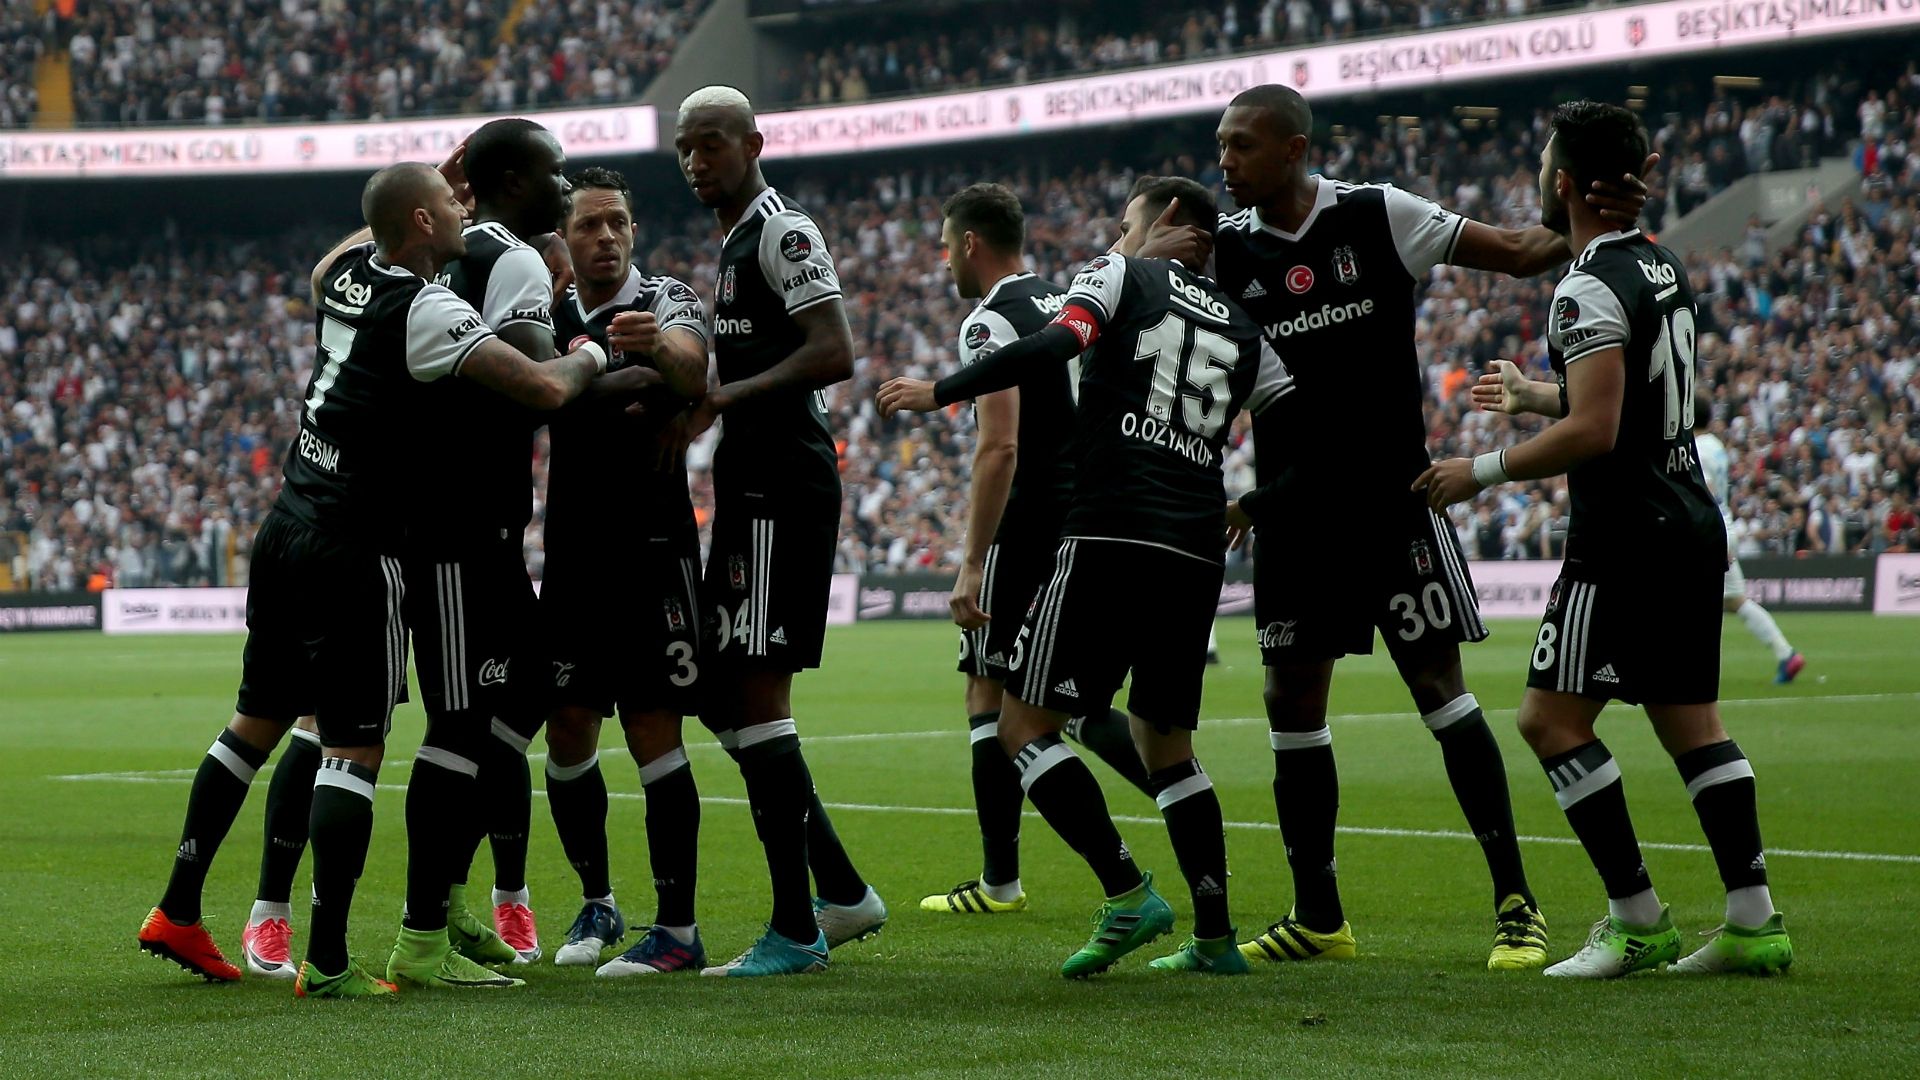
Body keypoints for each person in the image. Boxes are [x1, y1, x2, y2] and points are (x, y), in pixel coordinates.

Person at [136, 160, 620, 997]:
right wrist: (591, 352)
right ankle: (327, 962)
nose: (462, 206)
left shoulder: (351, 277)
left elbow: (337, 256)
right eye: (446, 203)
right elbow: (541, 387)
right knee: (353, 747)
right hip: (353, 548)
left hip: (286, 521)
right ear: (423, 226)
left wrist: (420, 184)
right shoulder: (426, 307)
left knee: (253, 725)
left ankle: (178, 908)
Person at [1210, 83, 1647, 970]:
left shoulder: (1378, 215)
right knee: (1288, 705)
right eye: (1220, 145)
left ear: (1293, 150)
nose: (1225, 161)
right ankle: (1318, 915)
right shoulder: (1223, 251)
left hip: (1395, 503)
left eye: (1241, 145)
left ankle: (1517, 905)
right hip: (1294, 517)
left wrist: (1593, 215)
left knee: (1439, 691)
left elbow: (1525, 252)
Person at [879, 176, 1295, 977]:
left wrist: (943, 390)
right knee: (1166, 743)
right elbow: (1308, 437)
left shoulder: (1116, 275)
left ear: (1162, 221)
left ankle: (1127, 889)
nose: (1114, 232)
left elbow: (1060, 342)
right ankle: (1214, 937)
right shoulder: (1249, 328)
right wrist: (1256, 502)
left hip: (1106, 530)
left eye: (1125, 221)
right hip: (1196, 547)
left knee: (1021, 725)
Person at [1418, 100, 1793, 978]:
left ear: (1563, 183)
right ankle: (1753, 920)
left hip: (1624, 539)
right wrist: (1539, 395)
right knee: (1694, 726)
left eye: (1545, 163)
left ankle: (1637, 919)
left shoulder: (1586, 282)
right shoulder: (1659, 266)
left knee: (1548, 720)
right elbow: (1641, 408)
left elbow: (1596, 435)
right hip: (1688, 523)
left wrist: (1479, 469)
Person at [672, 85, 884, 977]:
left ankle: (797, 927)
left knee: (755, 700)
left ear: (753, 142)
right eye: (684, 148)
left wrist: (724, 396)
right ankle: (839, 891)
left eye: (711, 142)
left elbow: (834, 350)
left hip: (781, 485)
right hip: (753, 483)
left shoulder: (778, 230)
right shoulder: (732, 241)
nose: (696, 160)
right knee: (724, 694)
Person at [917, 182, 1154, 917]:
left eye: (944, 247)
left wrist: (972, 560)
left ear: (969, 245)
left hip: (1031, 533)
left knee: (1019, 703)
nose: (942, 262)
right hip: (1094, 518)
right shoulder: (1074, 300)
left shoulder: (991, 321)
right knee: (1031, 696)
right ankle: (1181, 797)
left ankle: (1007, 882)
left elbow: (1000, 446)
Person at [403, 117, 572, 969]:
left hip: (471, 527)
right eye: (554, 172)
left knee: (511, 700)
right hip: (459, 528)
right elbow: (541, 375)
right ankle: (423, 930)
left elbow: (332, 273)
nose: (567, 186)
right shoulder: (511, 256)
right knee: (462, 723)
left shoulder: (429, 259)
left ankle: (458, 902)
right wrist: (592, 354)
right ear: (510, 181)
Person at [537, 165, 715, 975]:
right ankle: (599, 905)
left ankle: (676, 930)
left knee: (652, 730)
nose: (605, 236)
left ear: (633, 231)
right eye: (588, 226)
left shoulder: (669, 298)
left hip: (653, 551)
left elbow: (688, 373)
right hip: (573, 555)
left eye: (616, 223)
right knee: (568, 732)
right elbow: (543, 396)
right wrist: (631, 385)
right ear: (564, 240)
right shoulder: (545, 310)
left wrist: (641, 369)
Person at [1694, 399, 1807, 682]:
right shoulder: (1716, 446)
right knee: (1736, 601)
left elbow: (1704, 489)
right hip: (1724, 527)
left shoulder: (1697, 448)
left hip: (1706, 532)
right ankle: (1786, 653)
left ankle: (1683, 671)